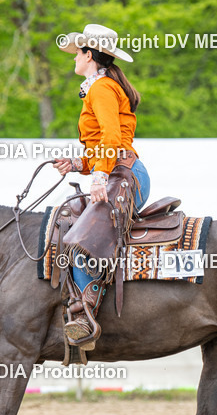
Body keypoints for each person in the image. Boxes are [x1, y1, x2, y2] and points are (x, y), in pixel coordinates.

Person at [53, 24, 150, 349]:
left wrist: (98, 176)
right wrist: (80, 164)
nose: (74, 59)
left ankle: (85, 312)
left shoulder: (102, 88)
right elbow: (104, 143)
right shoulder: (102, 86)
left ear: (90, 55)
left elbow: (110, 137)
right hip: (119, 171)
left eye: (78, 53)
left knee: (82, 236)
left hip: (122, 174)